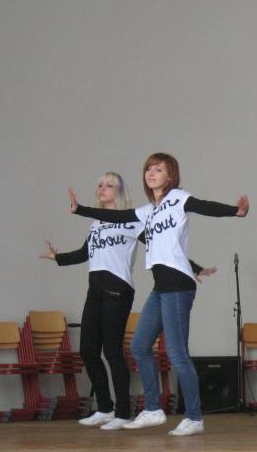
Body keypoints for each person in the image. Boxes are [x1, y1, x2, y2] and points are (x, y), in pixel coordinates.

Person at [68, 153, 248, 436]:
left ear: (170, 176)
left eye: (159, 169)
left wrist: (236, 211)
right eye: (148, 169)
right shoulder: (148, 211)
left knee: (177, 355)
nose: (151, 173)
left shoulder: (178, 198)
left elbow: (204, 206)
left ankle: (194, 418)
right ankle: (153, 409)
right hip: (160, 287)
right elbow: (117, 216)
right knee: (139, 346)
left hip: (177, 285)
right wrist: (80, 210)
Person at [42, 173, 216, 430]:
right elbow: (83, 254)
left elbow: (162, 246)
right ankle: (105, 408)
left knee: (112, 351)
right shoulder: (95, 224)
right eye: (99, 184)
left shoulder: (132, 221)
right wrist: (57, 258)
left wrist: (193, 267)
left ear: (120, 191)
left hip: (118, 291)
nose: (102, 188)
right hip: (95, 290)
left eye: (108, 185)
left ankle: (122, 412)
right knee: (88, 350)